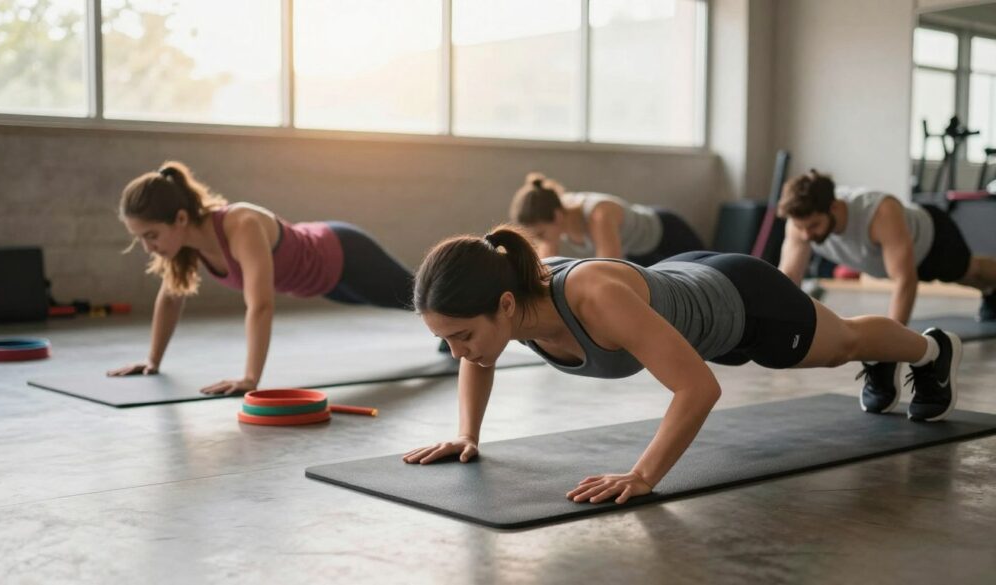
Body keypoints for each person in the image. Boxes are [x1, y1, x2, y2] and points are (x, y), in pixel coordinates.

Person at [402, 225, 962, 505]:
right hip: (686, 285)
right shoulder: (508, 297)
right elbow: (480, 359)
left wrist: (643, 475)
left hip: (745, 304)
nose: (460, 353)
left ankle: (932, 350)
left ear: (503, 307)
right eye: (445, 340)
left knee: (840, 344)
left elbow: (698, 387)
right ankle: (885, 361)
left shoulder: (592, 299)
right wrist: (465, 433)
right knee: (846, 344)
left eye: (462, 336)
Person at [108, 161, 420, 395]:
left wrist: (250, 379)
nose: (148, 248)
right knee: (407, 304)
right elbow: (170, 298)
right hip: (326, 284)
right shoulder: (184, 248)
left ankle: (461, 329)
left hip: (346, 253)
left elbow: (260, 306)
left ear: (180, 218)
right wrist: (152, 361)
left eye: (151, 236)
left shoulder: (241, 224)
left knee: (422, 298)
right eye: (140, 239)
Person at [777, 170, 995, 412]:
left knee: (970, 272)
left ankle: (991, 288)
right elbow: (787, 281)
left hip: (933, 241)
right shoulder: (800, 223)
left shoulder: (880, 212)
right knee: (971, 277)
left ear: (835, 207)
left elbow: (905, 280)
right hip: (890, 260)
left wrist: (888, 350)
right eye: (801, 227)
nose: (807, 234)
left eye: (814, 226)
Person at [509, 172, 704, 264]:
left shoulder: (598, 215)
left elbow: (610, 266)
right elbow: (546, 265)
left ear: (558, 216)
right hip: (637, 250)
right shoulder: (555, 212)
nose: (539, 240)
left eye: (541, 234)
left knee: (707, 268)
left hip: (666, 232)